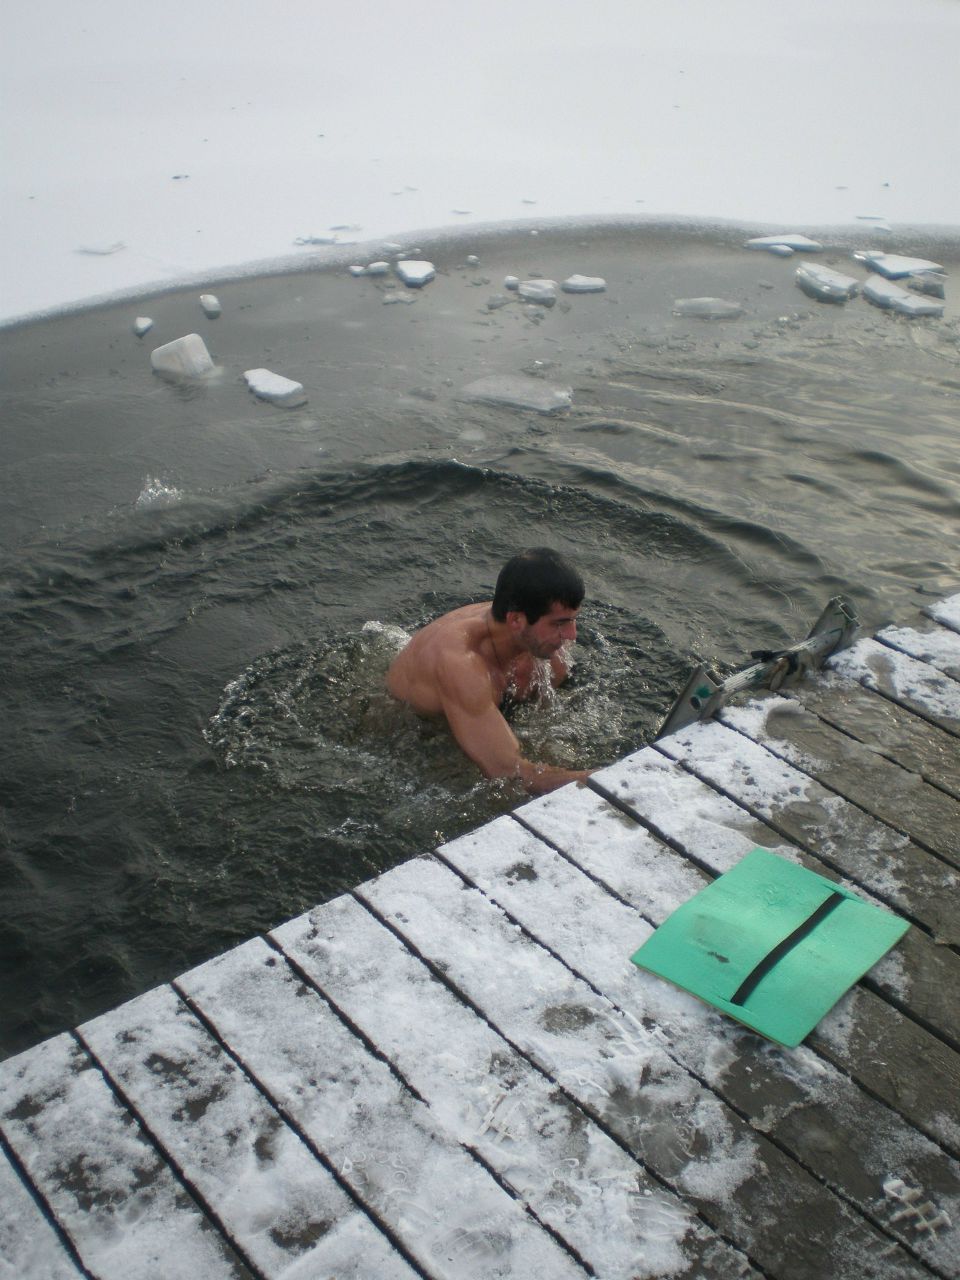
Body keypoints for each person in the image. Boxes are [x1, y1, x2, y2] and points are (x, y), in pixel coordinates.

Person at [387, 548, 594, 794]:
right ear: (516, 621)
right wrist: (600, 779)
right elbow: (508, 775)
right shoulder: (460, 662)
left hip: (478, 702)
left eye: (572, 619)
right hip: (412, 729)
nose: (572, 635)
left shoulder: (540, 640)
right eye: (559, 624)